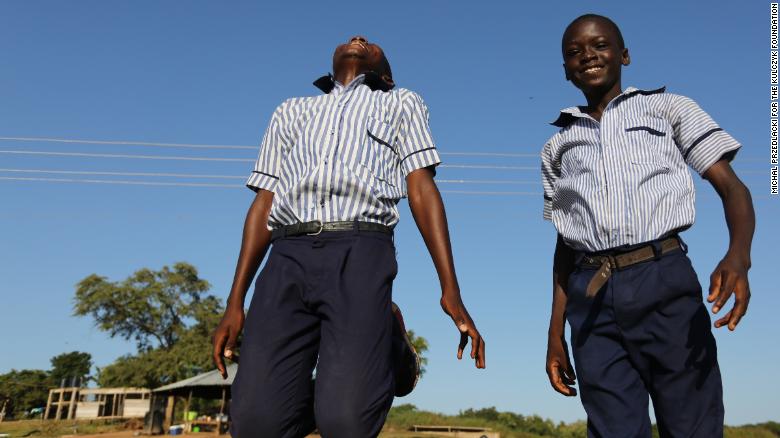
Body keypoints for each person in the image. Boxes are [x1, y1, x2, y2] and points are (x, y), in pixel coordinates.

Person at [212, 36, 485, 438]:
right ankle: (369, 344)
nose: (358, 39)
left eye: (371, 44)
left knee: (346, 424)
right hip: (287, 254)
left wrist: (451, 290)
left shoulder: (399, 102)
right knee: (254, 425)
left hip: (360, 250)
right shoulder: (291, 111)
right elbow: (264, 202)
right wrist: (235, 301)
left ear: (385, 75)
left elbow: (422, 188)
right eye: (350, 39)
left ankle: (387, 344)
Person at [541, 14, 755, 438]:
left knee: (692, 423)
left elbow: (732, 188)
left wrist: (738, 255)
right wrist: (555, 333)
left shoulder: (668, 108)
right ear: (565, 71)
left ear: (624, 55)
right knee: (611, 429)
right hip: (592, 297)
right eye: (573, 52)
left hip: (664, 281)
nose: (587, 55)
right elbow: (566, 244)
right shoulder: (556, 147)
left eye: (599, 45)